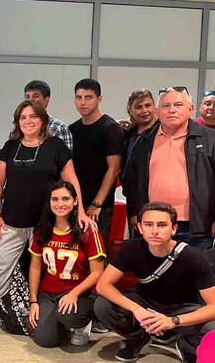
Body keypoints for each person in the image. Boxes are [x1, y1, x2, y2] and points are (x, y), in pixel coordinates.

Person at [0, 100, 92, 329]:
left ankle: (54, 311)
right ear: (18, 122)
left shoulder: (56, 145)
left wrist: (81, 212)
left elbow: (71, 179)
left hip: (47, 223)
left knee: (49, 267)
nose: (28, 121)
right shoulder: (10, 146)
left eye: (33, 117)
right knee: (1, 264)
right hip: (12, 220)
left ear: (42, 120)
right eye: (23, 117)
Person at [95, 201, 215, 363]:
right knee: (103, 306)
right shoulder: (131, 249)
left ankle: (186, 345)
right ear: (140, 227)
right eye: (149, 224)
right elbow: (103, 285)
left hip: (182, 307)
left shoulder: (193, 257)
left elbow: (214, 306)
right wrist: (136, 309)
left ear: (174, 229)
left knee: (211, 327)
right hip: (145, 303)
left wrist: (174, 321)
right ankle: (138, 338)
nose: (155, 231)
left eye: (162, 225)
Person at [122, 87, 215, 250]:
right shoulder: (144, 141)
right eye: (166, 106)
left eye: (178, 105)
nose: (172, 110)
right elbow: (130, 181)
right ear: (157, 112)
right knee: (155, 275)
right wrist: (134, 212)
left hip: (197, 228)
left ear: (190, 109)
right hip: (153, 225)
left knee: (195, 275)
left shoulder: (210, 139)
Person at [28, 181, 106, 347]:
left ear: (75, 201)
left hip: (79, 293)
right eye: (54, 199)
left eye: (65, 199)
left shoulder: (87, 230)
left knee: (68, 316)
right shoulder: (43, 230)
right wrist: (33, 302)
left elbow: (98, 272)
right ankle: (58, 323)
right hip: (49, 293)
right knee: (44, 340)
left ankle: (81, 325)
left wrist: (74, 293)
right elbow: (35, 267)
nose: (60, 204)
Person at [68, 78, 123, 245]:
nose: (83, 102)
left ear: (99, 99)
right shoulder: (72, 129)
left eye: (88, 97)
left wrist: (97, 203)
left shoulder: (111, 128)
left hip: (100, 205)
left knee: (97, 252)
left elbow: (114, 169)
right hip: (75, 201)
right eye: (79, 97)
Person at [121, 89, 159, 238]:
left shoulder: (161, 132)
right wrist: (133, 210)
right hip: (134, 203)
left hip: (155, 203)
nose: (145, 110)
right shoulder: (128, 134)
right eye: (139, 107)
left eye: (148, 105)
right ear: (130, 110)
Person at [24, 80, 74, 151]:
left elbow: (66, 160)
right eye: (28, 97)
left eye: (35, 96)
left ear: (46, 100)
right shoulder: (21, 125)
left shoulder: (59, 127)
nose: (31, 100)